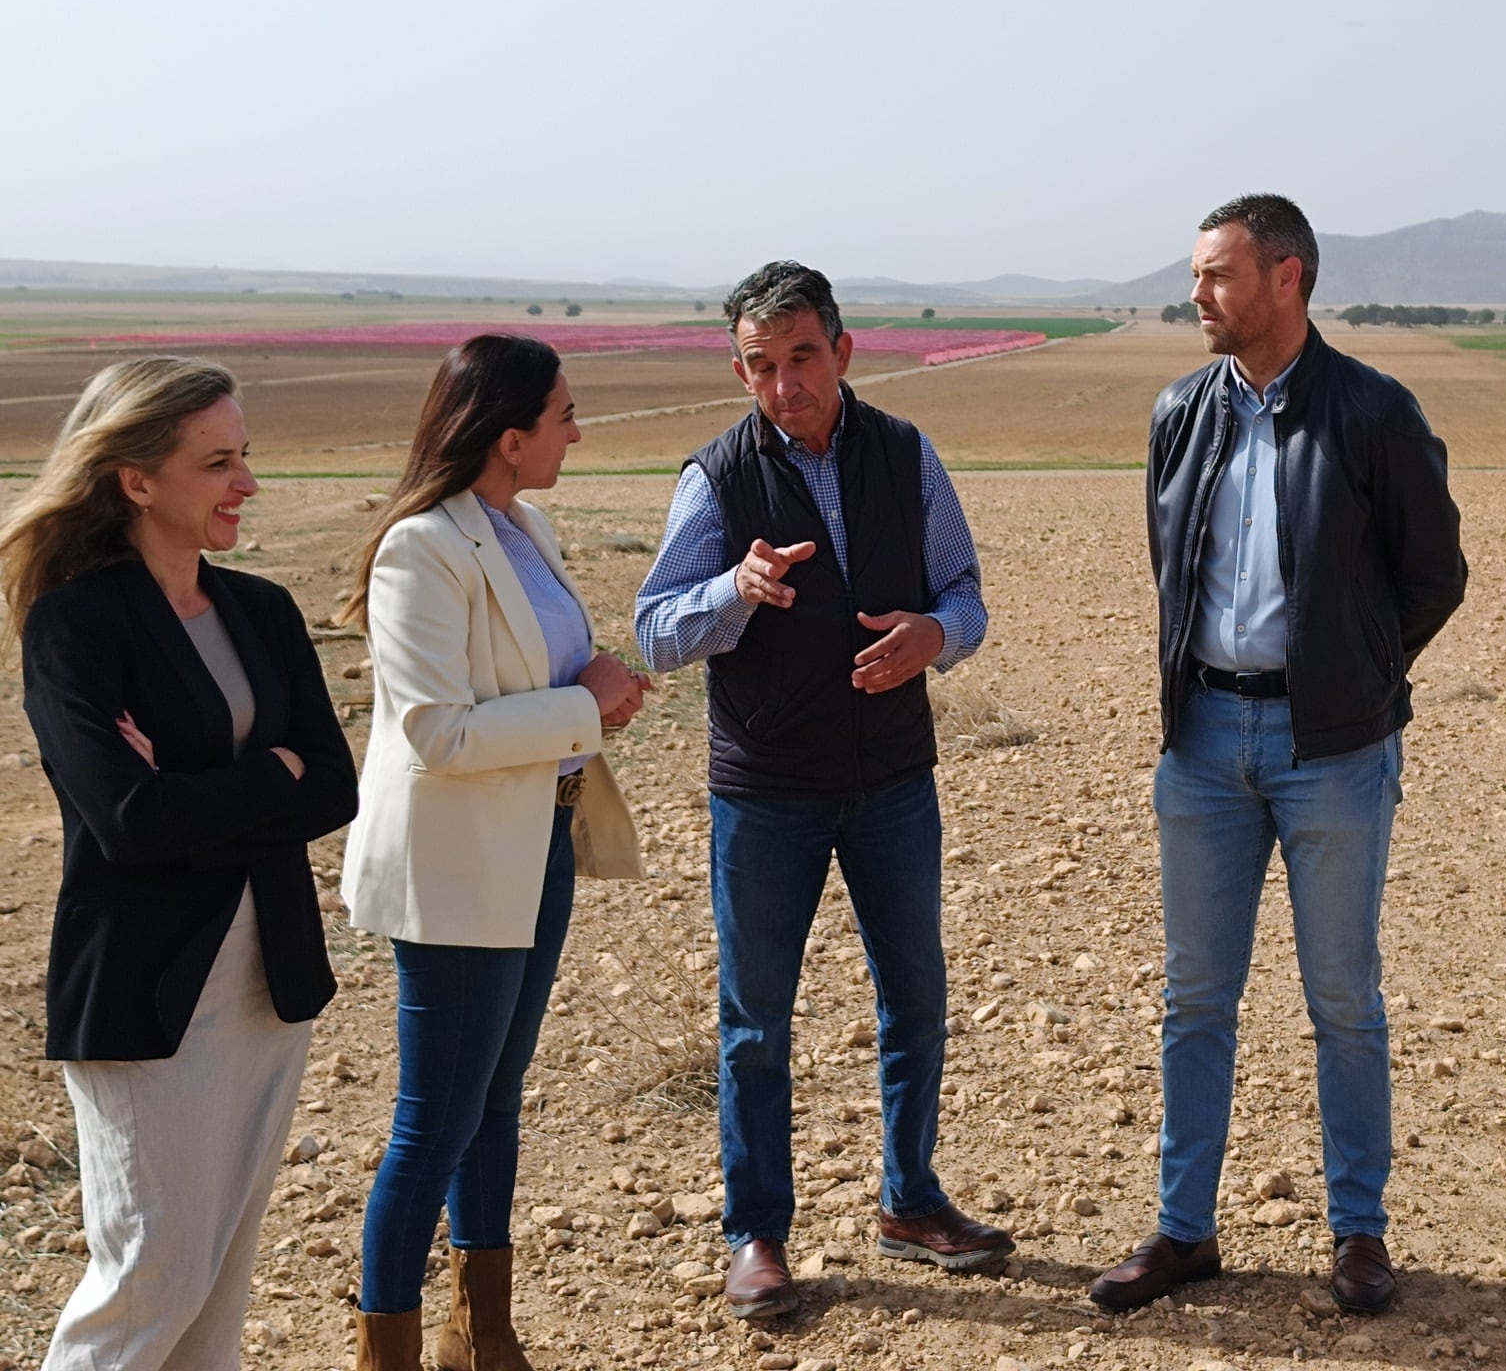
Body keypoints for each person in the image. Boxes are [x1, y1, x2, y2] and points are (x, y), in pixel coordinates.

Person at [1090, 195, 1466, 1316]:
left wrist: (1352, 673)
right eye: (1198, 276)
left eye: (1217, 276)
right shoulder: (1180, 411)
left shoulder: (1373, 412)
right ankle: (1183, 1230)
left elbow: (1432, 575)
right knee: (1195, 998)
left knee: (1342, 997)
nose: (1196, 294)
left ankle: (1358, 1234)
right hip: (1202, 741)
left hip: (1333, 749)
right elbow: (1173, 565)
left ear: (1286, 278)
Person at [634, 260, 1010, 1319]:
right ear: (741, 371)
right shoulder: (714, 478)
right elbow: (657, 629)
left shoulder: (904, 453)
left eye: (803, 357)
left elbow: (963, 590)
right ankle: (757, 1234)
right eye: (761, 366)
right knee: (756, 1022)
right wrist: (734, 590)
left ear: (843, 352)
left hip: (891, 779)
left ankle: (912, 1200)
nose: (786, 384)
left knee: (916, 998)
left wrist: (935, 635)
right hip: (766, 791)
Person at [1, 356, 357, 1370]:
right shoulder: (77, 625)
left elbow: (334, 786)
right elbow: (128, 819)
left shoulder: (263, 611)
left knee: (215, 1287)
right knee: (150, 1280)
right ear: (137, 480)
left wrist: (208, 791)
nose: (246, 481)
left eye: (243, 456)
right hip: (146, 991)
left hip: (266, 977)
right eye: (218, 463)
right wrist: (267, 775)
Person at [340, 333, 647, 1370]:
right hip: (456, 870)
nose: (577, 429)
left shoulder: (528, 525)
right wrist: (582, 704)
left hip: (538, 845)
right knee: (434, 1123)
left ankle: (486, 1336)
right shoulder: (419, 547)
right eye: (564, 415)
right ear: (510, 438)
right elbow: (437, 732)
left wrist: (593, 681)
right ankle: (387, 1349)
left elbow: (539, 673)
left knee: (497, 1100)